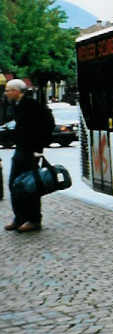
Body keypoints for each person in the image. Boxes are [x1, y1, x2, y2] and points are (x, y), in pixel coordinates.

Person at [4, 79, 46, 232]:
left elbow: (48, 123)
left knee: (30, 185)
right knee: (14, 184)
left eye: (8, 90)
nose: (6, 93)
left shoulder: (32, 105)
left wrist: (39, 148)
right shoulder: (16, 105)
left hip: (30, 151)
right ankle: (20, 217)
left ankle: (34, 219)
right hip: (21, 150)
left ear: (16, 91)